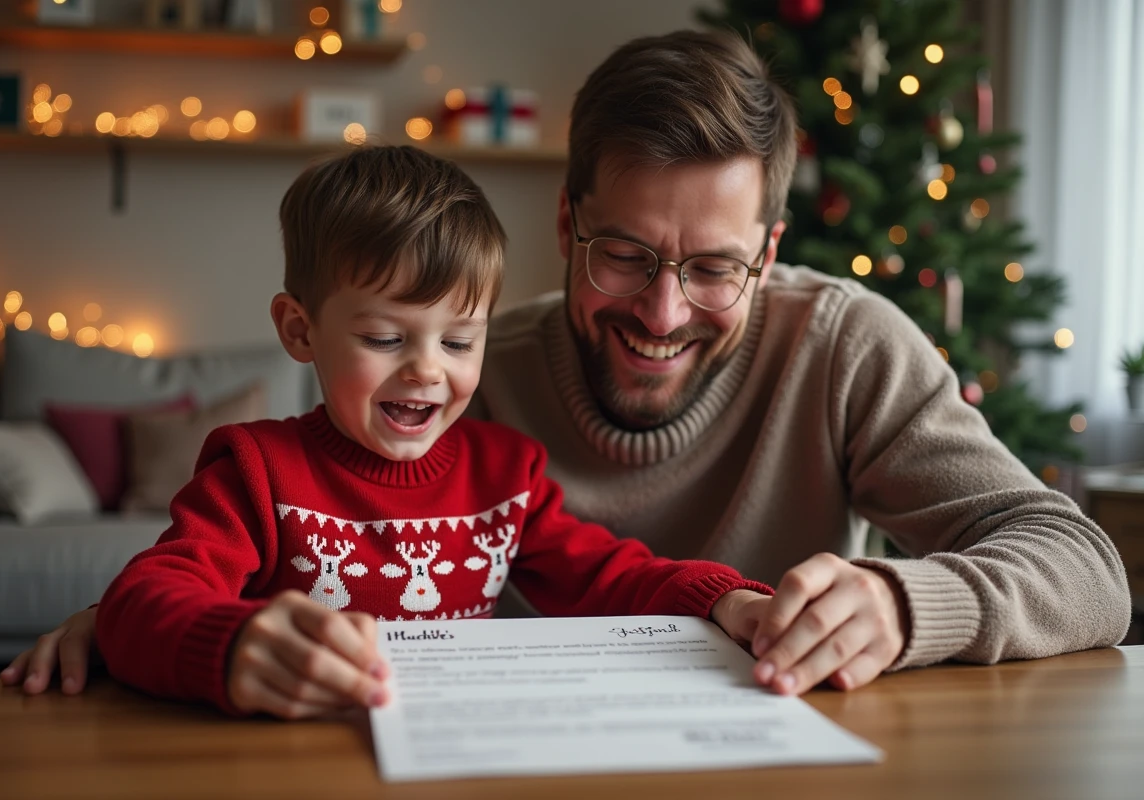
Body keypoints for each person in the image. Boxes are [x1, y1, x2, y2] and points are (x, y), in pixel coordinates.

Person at [4, 29, 1130, 703]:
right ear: (566, 221)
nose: (660, 308)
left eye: (715, 268)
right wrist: (130, 621)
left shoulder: (841, 345)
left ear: (773, 253)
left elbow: (1086, 568)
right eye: (627, 253)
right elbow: (207, 558)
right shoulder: (475, 385)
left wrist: (896, 598)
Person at [60, 145, 772, 717]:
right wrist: (231, 643)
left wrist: (725, 599)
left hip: (446, 748)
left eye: (459, 343)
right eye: (383, 337)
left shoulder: (506, 474)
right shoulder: (256, 470)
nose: (427, 371)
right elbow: (142, 601)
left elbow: (610, 577)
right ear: (300, 330)